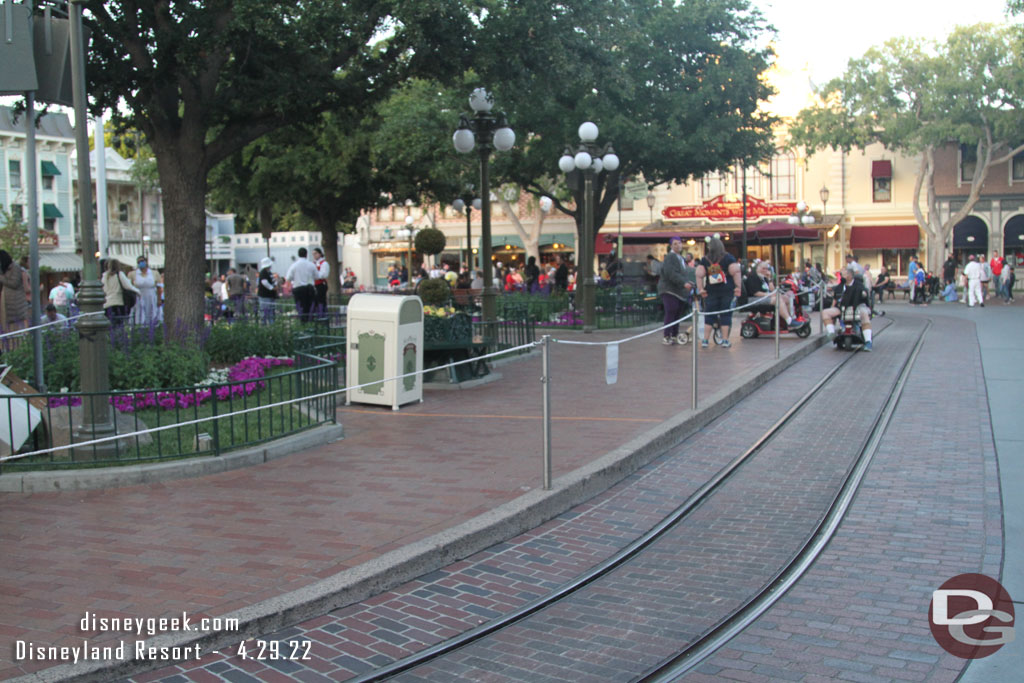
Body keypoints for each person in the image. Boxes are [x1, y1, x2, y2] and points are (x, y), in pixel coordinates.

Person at [695, 235, 742, 348]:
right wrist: (738, 287)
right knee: (726, 315)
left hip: (711, 291)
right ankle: (725, 340)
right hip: (727, 290)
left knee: (709, 315)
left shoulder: (705, 259)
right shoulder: (728, 257)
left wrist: (701, 289)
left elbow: (699, 274)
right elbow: (735, 272)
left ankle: (705, 340)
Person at [821, 266, 874, 351]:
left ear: (850, 276)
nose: (842, 276)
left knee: (864, 314)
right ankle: (831, 333)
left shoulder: (859, 286)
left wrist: (864, 295)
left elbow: (864, 296)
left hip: (857, 307)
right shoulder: (840, 286)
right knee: (825, 312)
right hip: (842, 308)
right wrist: (832, 308)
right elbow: (835, 300)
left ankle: (868, 342)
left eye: (844, 274)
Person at [744, 260, 805, 330]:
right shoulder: (752, 277)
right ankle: (789, 321)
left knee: (785, 298)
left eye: (766, 269)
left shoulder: (764, 278)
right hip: (754, 299)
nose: (765, 270)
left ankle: (788, 320)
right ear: (758, 268)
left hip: (765, 297)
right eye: (763, 268)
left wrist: (769, 279)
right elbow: (756, 293)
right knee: (777, 300)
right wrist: (769, 295)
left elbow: (772, 290)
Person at [657, 237, 694, 345]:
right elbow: (671, 273)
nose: (678, 245)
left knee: (677, 313)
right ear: (671, 246)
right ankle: (667, 335)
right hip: (669, 289)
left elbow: (683, 273)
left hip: (679, 291)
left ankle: (674, 335)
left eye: (679, 243)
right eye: (675, 244)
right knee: (671, 311)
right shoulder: (670, 257)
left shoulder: (680, 258)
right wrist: (684, 283)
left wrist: (689, 282)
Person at [102, 258, 141, 325]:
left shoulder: (104, 277)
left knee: (110, 325)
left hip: (107, 304)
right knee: (119, 325)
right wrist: (138, 292)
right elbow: (128, 286)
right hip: (118, 303)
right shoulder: (119, 274)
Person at [0, 249, 29, 336]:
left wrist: (1, 278)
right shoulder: (4, 269)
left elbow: (14, 283)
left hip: (16, 302)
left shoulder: (15, 267)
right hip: (6, 301)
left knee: (16, 327)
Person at [285, 247, 318, 322]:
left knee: (300, 307)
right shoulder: (311, 265)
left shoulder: (294, 265)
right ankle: (309, 322)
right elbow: (317, 276)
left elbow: (288, 278)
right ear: (306, 254)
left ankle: (302, 321)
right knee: (309, 307)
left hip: (298, 289)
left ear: (298, 254)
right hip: (309, 289)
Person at [131, 255, 162, 326]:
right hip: (139, 297)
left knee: (152, 313)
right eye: (139, 262)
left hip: (151, 296)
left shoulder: (154, 273)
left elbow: (159, 287)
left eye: (142, 261)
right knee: (140, 314)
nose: (140, 263)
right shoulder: (133, 274)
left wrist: (159, 299)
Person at [257, 257, 278, 322]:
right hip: (265, 295)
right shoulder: (263, 272)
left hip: (270, 295)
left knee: (271, 311)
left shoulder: (268, 272)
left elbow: (273, 280)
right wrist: (272, 288)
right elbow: (264, 282)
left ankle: (271, 323)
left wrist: (275, 285)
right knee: (265, 311)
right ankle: (265, 324)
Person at [312, 247, 329, 318]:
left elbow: (324, 274)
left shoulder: (324, 263)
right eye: (313, 254)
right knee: (315, 302)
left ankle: (323, 315)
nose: (314, 255)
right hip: (314, 284)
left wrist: (315, 274)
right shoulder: (313, 263)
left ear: (320, 254)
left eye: (315, 253)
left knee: (321, 301)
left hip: (321, 284)